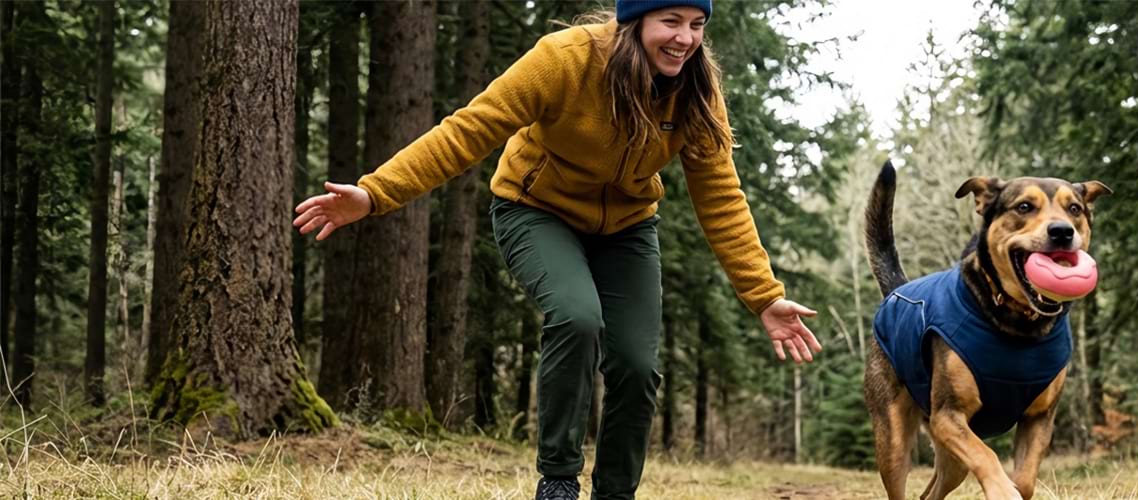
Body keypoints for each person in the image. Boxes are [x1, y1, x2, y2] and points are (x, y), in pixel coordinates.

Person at [291, 1, 822, 498]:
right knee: (576, 317)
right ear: (635, 19)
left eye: (696, 25)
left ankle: (616, 491)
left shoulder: (696, 92)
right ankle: (559, 481)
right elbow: (468, 130)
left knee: (636, 364)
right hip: (534, 209)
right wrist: (376, 192)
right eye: (671, 21)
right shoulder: (565, 60)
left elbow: (722, 199)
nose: (684, 39)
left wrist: (763, 296)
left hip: (627, 229)